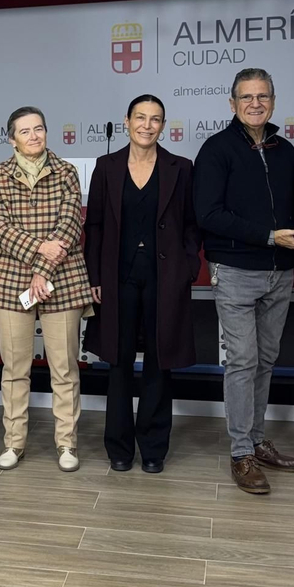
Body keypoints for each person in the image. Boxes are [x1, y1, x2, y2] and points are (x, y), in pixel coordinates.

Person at [193, 68, 294, 495]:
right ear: (232, 104)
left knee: (265, 359)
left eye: (263, 96)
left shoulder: (285, 149)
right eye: (246, 97)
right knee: (242, 361)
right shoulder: (216, 149)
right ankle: (241, 453)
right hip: (236, 271)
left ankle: (258, 440)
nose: (255, 103)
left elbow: (293, 209)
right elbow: (207, 214)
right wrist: (266, 237)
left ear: (274, 101)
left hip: (280, 271)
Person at [83, 95, 201, 473]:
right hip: (117, 279)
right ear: (127, 121)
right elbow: (95, 225)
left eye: (155, 119)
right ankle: (118, 447)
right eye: (140, 117)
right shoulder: (107, 166)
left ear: (163, 126)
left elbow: (191, 225)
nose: (147, 125)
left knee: (158, 362)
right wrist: (94, 277)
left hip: (164, 279)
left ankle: (153, 448)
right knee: (117, 363)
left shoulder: (181, 167)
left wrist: (185, 267)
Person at [0, 107, 93, 472]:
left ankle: (67, 445)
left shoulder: (66, 172)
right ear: (11, 138)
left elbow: (69, 225)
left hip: (62, 279)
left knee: (64, 369)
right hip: (11, 280)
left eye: (39, 128)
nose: (34, 136)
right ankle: (14, 443)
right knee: (15, 369)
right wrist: (37, 253)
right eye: (25, 131)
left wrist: (42, 271)